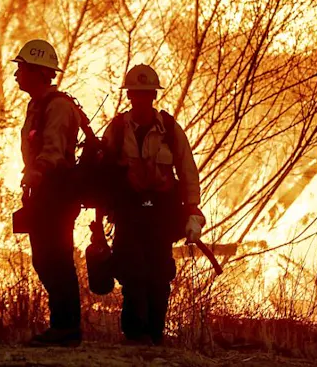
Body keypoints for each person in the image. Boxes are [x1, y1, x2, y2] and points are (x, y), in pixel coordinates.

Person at [101, 64, 206, 345]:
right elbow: (102, 171)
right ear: (129, 96)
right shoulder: (117, 129)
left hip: (161, 215)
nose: (141, 98)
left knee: (159, 273)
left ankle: (155, 333)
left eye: (146, 93)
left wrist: (192, 210)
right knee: (130, 270)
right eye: (136, 93)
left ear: (153, 96)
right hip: (128, 212)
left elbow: (187, 171)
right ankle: (135, 334)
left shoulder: (170, 129)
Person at [12, 39, 83, 347]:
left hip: (58, 192)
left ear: (39, 73)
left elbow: (54, 149)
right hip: (43, 191)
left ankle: (66, 328)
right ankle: (63, 326)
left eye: (22, 68)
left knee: (56, 258)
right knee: (44, 259)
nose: (16, 74)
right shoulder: (38, 105)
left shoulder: (58, 107)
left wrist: (38, 170)